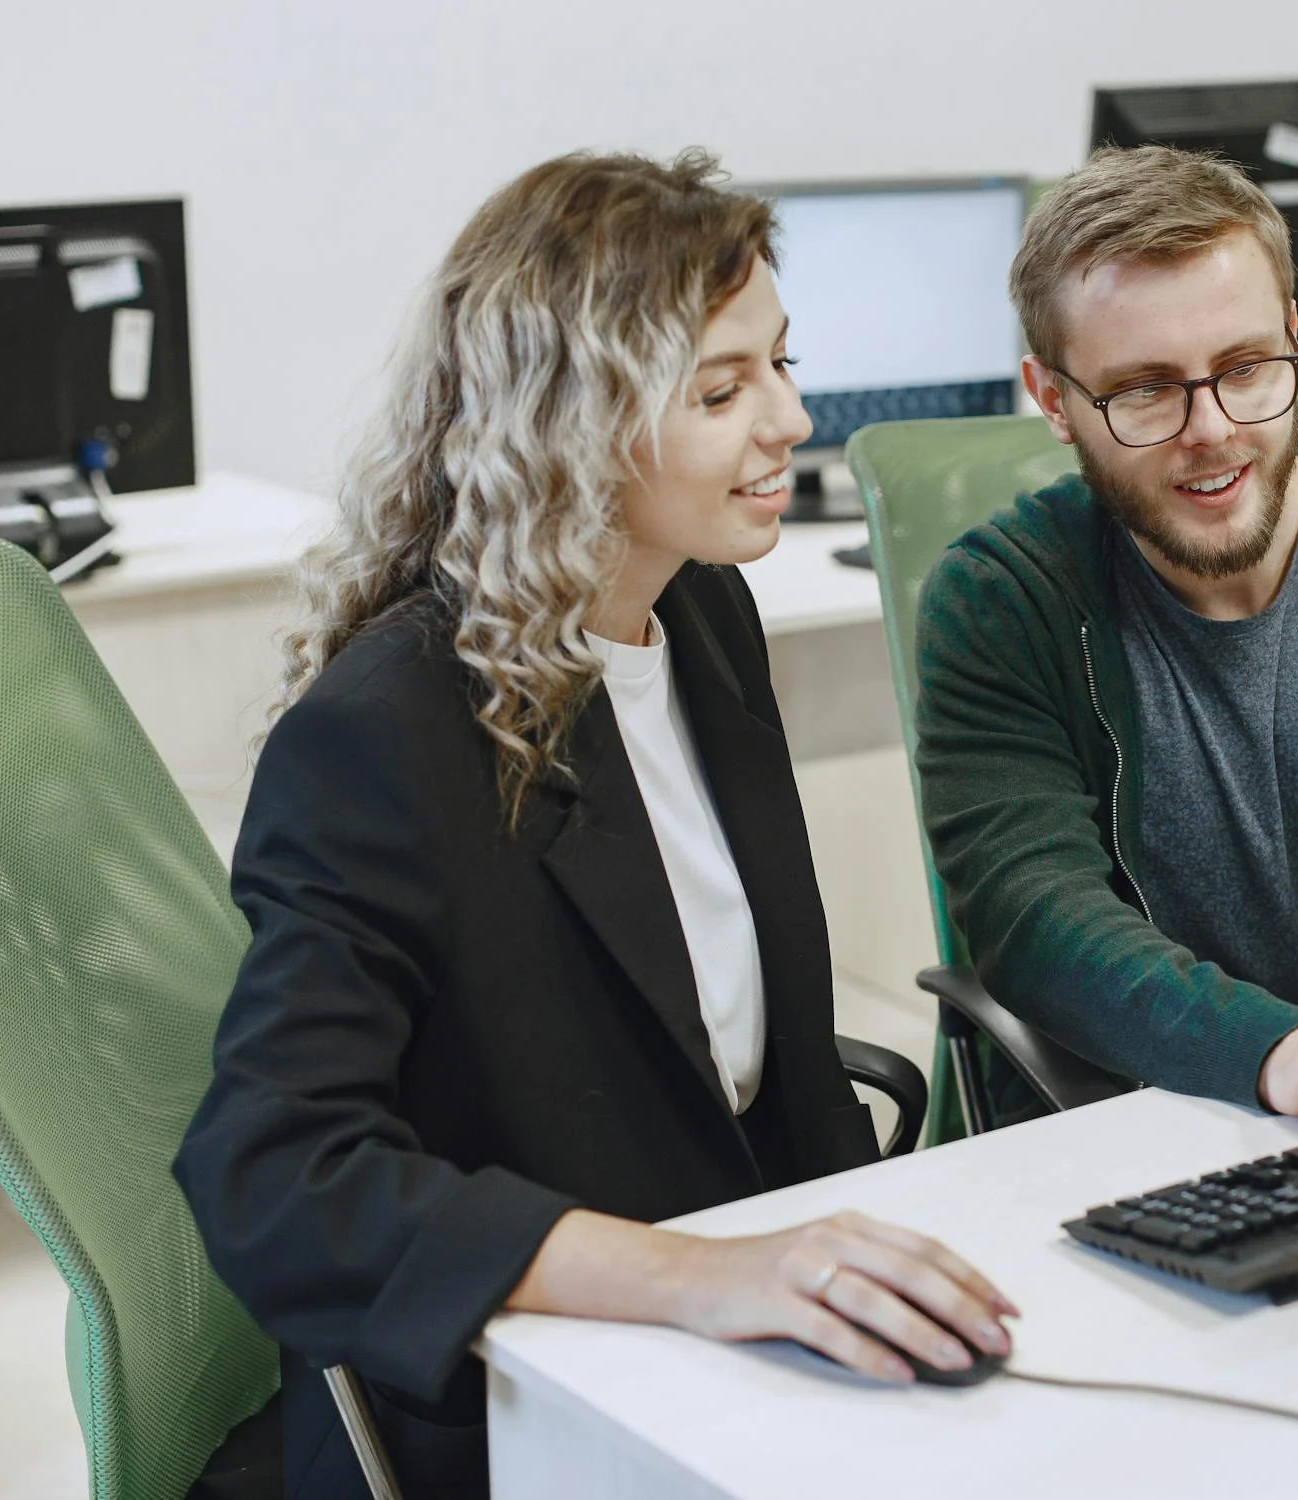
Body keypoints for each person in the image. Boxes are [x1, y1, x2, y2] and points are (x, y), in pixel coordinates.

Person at [174, 151, 1014, 1500]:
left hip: (738, 1372)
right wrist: (699, 1277)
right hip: (521, 1415)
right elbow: (273, 1177)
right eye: (723, 390)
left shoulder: (700, 615)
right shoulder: (383, 737)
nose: (791, 420)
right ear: (573, 425)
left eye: (782, 367)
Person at [912, 146, 1298, 1131]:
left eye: (1244, 369)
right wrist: (1275, 1047)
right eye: (1145, 390)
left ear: (1293, 335)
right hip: (1152, 1116)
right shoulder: (1003, 599)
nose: (1212, 429)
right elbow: (1031, 914)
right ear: (1053, 399)